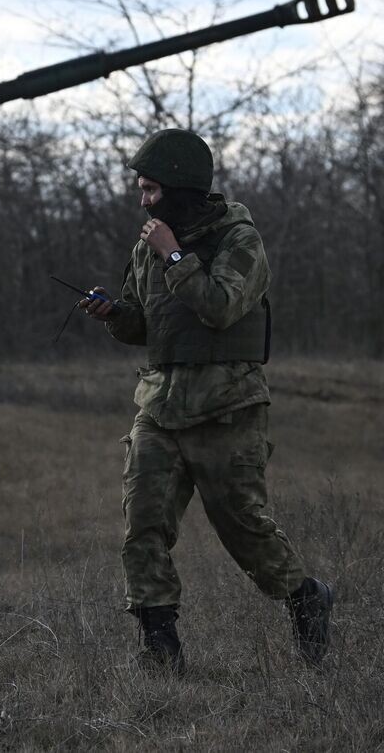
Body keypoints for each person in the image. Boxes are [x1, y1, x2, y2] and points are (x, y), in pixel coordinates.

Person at [80, 128, 333, 671]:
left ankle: (306, 597)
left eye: (150, 189)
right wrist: (112, 314)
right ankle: (160, 647)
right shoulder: (148, 245)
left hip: (227, 408)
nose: (142, 200)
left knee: (243, 530)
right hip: (160, 406)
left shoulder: (239, 240)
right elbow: (147, 325)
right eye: (141, 189)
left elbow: (218, 307)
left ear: (179, 188)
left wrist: (174, 256)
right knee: (143, 525)